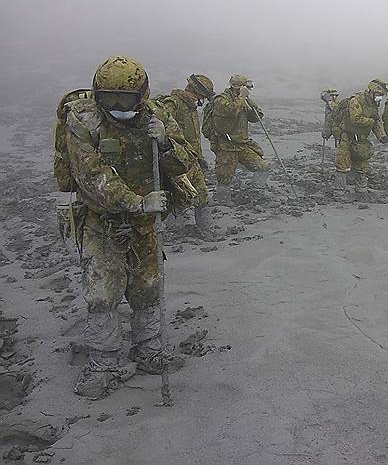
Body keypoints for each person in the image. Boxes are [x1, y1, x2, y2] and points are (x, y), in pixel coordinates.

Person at [62, 55, 193, 398]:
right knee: (102, 293)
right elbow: (90, 176)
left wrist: (165, 142)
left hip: (146, 223)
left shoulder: (157, 117)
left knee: (147, 288)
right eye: (110, 99)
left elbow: (185, 163)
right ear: (97, 95)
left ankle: (148, 348)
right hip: (102, 220)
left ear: (142, 94)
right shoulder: (83, 120)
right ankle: (103, 363)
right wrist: (137, 202)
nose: (119, 106)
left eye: (127, 99)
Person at [156, 74, 215, 235]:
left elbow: (193, 138)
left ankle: (206, 229)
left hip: (191, 160)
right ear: (195, 92)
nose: (202, 100)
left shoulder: (191, 108)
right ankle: (174, 231)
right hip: (176, 162)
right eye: (202, 96)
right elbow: (163, 130)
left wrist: (200, 158)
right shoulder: (173, 104)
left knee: (202, 194)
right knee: (181, 197)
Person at [207, 75, 268, 204]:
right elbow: (230, 110)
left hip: (242, 145)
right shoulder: (221, 99)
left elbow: (257, 117)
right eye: (244, 87)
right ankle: (222, 201)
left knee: (262, 166)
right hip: (226, 146)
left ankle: (256, 192)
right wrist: (242, 98)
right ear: (236, 87)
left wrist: (250, 105)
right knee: (224, 178)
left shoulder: (243, 100)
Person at [332, 80, 388, 194]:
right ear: (371, 92)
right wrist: (371, 120)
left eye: (381, 95)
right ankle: (339, 192)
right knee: (343, 163)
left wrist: (381, 136)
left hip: (361, 139)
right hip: (347, 137)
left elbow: (376, 122)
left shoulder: (373, 105)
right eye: (378, 95)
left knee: (362, 163)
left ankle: (361, 189)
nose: (380, 98)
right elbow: (356, 119)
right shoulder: (356, 100)